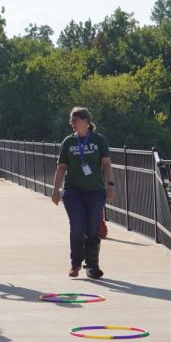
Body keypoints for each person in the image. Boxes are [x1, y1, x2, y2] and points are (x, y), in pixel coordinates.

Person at [51, 106, 115, 279]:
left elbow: (107, 164)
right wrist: (55, 190)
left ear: (86, 122)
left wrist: (110, 185)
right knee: (78, 226)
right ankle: (76, 263)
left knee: (93, 228)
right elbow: (61, 167)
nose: (72, 124)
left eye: (75, 120)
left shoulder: (99, 140)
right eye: (71, 121)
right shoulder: (69, 142)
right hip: (73, 191)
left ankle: (92, 266)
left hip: (95, 191)